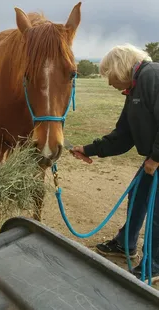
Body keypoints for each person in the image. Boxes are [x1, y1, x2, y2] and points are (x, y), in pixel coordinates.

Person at [72, 43, 159, 283]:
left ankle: (154, 265)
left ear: (120, 67)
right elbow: (123, 135)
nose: (109, 83)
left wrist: (155, 157)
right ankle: (125, 244)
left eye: (108, 74)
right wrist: (89, 149)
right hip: (155, 159)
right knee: (139, 195)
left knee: (157, 211)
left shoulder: (152, 76)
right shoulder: (134, 89)